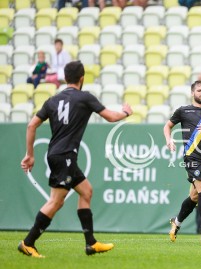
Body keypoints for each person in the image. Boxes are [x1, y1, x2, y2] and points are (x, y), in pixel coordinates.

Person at [18, 61, 133, 258]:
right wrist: (126, 112)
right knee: (56, 201)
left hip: (58, 154)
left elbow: (31, 126)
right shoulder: (84, 98)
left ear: (65, 78)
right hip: (64, 156)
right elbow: (112, 117)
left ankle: (91, 243)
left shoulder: (52, 100)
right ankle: (28, 243)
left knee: (86, 192)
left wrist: (30, 154)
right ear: (82, 78)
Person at [164, 81, 201, 243]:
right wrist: (169, 140)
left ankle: (176, 223)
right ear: (192, 93)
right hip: (191, 157)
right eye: (199, 90)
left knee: (195, 196)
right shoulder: (183, 111)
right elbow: (167, 126)